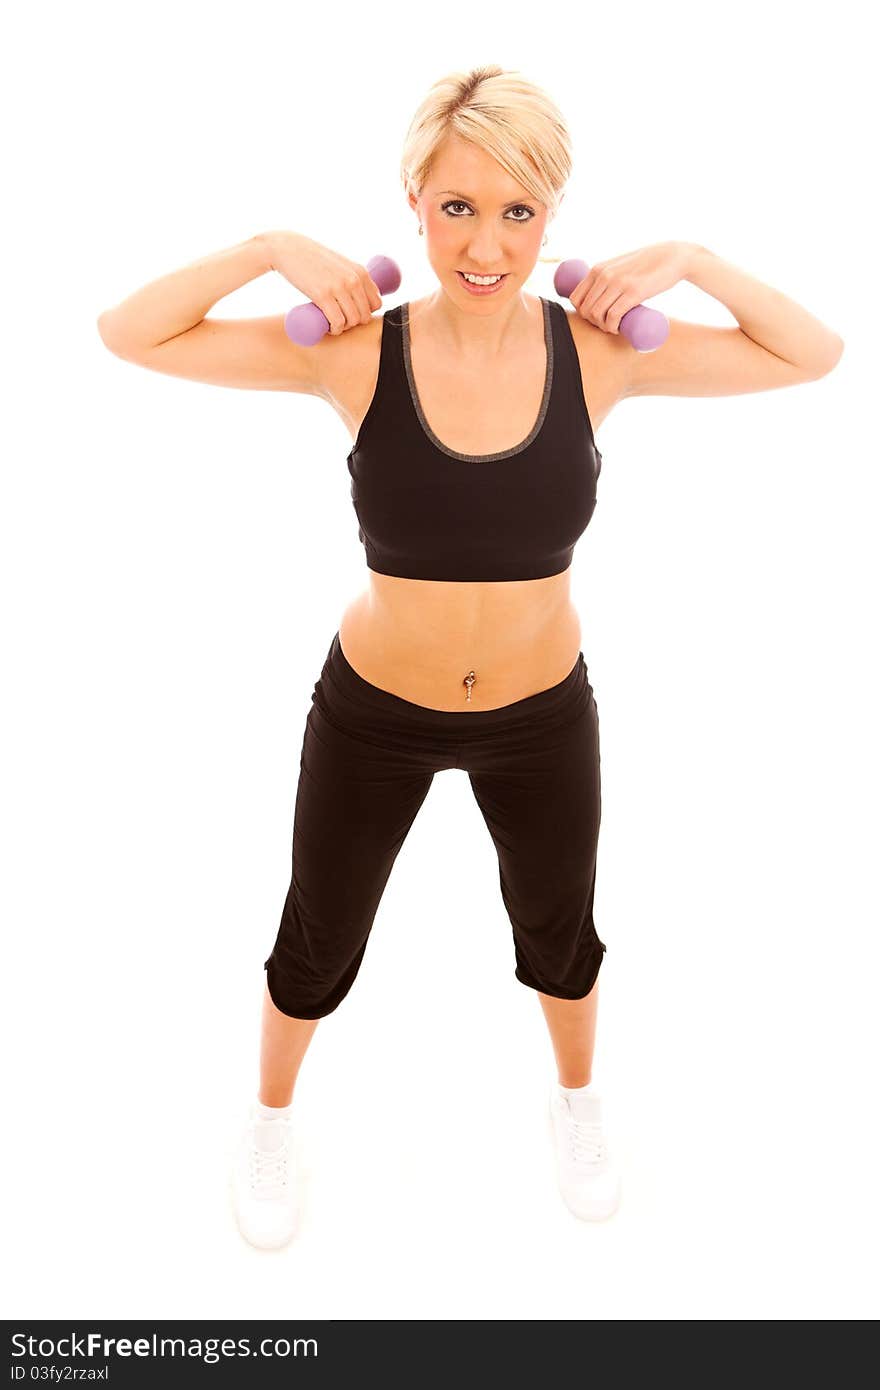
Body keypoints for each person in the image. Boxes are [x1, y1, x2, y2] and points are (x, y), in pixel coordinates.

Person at [97, 65, 844, 1251]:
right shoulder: (350, 354)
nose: (485, 241)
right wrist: (268, 242)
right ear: (414, 206)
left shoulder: (603, 352)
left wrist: (693, 258)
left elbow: (813, 355)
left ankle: (577, 1103)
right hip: (375, 708)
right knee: (319, 934)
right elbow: (126, 332)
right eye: (456, 207)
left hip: (541, 710)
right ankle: (270, 1119)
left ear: (552, 215)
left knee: (560, 929)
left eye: (516, 209)